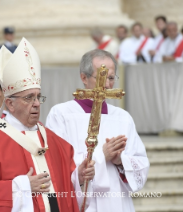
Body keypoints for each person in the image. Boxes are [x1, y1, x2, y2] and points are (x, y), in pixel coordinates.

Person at [0, 37, 95, 212]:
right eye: (28, 98)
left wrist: (78, 177)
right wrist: (21, 187)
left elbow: (65, 190)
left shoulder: (55, 142)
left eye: (38, 97)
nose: (36, 103)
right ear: (10, 104)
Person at [46, 49, 149, 212]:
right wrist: (103, 156)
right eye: (102, 77)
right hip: (84, 203)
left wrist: (121, 161)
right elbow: (56, 164)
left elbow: (141, 164)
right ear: (84, 78)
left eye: (111, 78)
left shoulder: (123, 117)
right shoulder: (61, 115)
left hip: (118, 203)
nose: (107, 85)